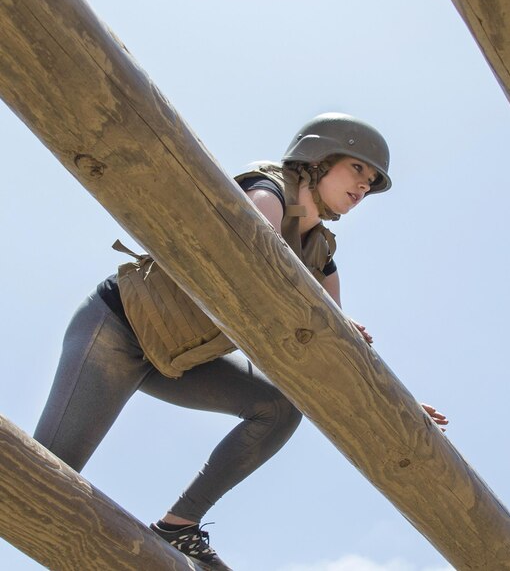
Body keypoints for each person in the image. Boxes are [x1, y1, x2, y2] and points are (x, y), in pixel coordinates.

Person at [33, 113, 447, 569]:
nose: (365, 186)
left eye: (372, 181)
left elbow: (341, 354)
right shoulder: (266, 190)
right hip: (117, 328)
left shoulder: (322, 255)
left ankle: (179, 526)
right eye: (358, 170)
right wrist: (328, 323)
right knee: (43, 478)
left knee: (281, 407)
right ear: (318, 158)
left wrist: (395, 405)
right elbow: (259, 262)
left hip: (179, 360)